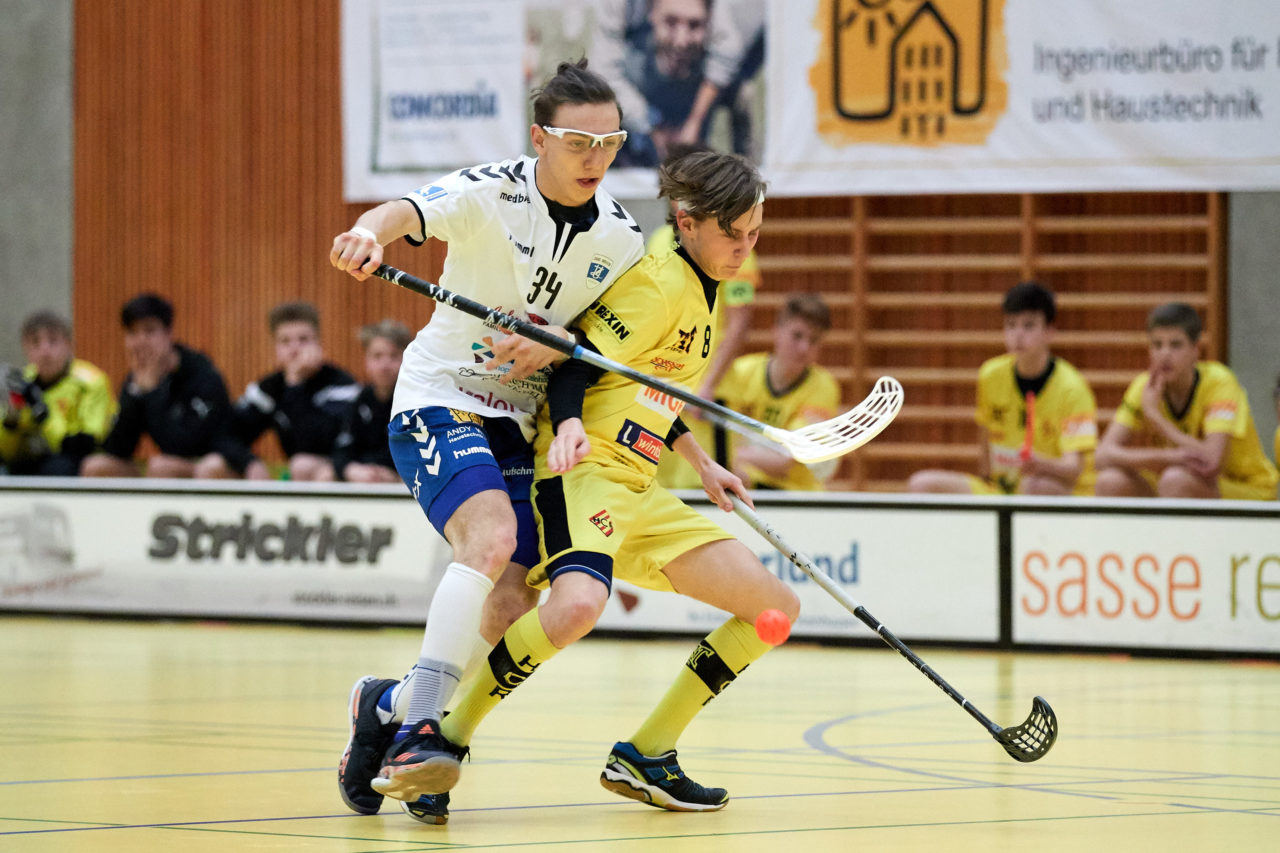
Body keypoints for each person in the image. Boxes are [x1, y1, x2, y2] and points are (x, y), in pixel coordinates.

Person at [425, 149, 798, 816]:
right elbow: (576, 363)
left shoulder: (706, 288)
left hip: (642, 489)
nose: (744, 250)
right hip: (585, 471)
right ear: (685, 222)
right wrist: (567, 425)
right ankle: (443, 738)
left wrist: (701, 460)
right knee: (573, 609)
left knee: (774, 611)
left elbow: (653, 385)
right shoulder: (657, 283)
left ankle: (647, 752)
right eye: (731, 235)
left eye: (755, 236)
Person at [328, 59, 645, 823]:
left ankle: (392, 701)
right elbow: (400, 211)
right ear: (540, 136)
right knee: (492, 536)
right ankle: (419, 731)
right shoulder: (488, 190)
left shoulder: (624, 239)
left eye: (610, 142)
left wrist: (564, 343)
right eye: (577, 141)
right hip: (439, 398)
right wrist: (365, 236)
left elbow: (600, 353)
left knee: (511, 600)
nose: (595, 158)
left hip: (520, 423)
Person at [907, 281, 1098, 496]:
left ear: (1050, 332)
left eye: (1028, 326)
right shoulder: (990, 375)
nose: (1017, 334)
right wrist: (988, 478)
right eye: (1010, 324)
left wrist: (1041, 464)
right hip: (1003, 491)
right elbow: (985, 438)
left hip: (1058, 492)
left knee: (1036, 487)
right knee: (921, 484)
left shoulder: (1073, 388)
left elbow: (1075, 468)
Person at [1094, 302, 1278, 500]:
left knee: (1176, 480)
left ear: (1195, 349)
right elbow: (1102, 456)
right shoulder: (1143, 387)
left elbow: (1211, 461)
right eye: (1157, 345)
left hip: (1248, 489)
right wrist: (1167, 457)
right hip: (1178, 480)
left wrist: (1156, 418)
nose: (1165, 354)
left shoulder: (1219, 382)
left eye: (1175, 345)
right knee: (1110, 481)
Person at [195, 302, 360, 481]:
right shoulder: (269, 388)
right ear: (275, 346)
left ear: (318, 343)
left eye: (303, 340)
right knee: (213, 464)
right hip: (298, 466)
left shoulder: (342, 386)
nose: (294, 349)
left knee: (302, 465)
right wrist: (249, 462)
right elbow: (225, 434)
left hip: (344, 467)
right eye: (285, 341)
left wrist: (295, 384)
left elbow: (314, 443)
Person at [80, 294, 234, 478]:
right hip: (169, 463)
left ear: (169, 334)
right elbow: (119, 448)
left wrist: (153, 393)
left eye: (149, 331)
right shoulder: (137, 379)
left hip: (213, 465)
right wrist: (136, 392)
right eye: (132, 333)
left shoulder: (203, 376)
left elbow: (180, 447)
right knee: (96, 467)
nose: (140, 342)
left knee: (162, 467)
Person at [717, 293, 841, 490]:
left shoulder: (823, 386)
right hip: (745, 484)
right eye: (797, 336)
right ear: (776, 331)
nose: (804, 347)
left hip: (795, 496)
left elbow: (784, 462)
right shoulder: (741, 372)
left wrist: (732, 455)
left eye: (814, 340)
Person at [595, 0, 714, 167]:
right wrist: (650, 123)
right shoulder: (621, 7)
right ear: (651, 13)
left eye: (694, 25)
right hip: (632, 99)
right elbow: (603, 73)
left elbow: (726, 66)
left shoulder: (722, 22)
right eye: (671, 22)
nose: (681, 41)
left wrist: (694, 122)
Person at [0, 311, 115, 476]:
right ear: (26, 348)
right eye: (35, 342)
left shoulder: (91, 382)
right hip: (33, 460)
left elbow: (88, 444)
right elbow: (6, 452)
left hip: (78, 463)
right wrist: (11, 420)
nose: (44, 352)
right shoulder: (23, 382)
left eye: (53, 341)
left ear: (69, 345)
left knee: (57, 467)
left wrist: (43, 415)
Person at [333, 319, 412, 484]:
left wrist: (387, 471)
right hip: (365, 474)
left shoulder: (414, 402)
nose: (385, 365)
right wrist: (351, 469)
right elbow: (342, 449)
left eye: (393, 356)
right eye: (377, 356)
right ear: (366, 361)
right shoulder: (359, 400)